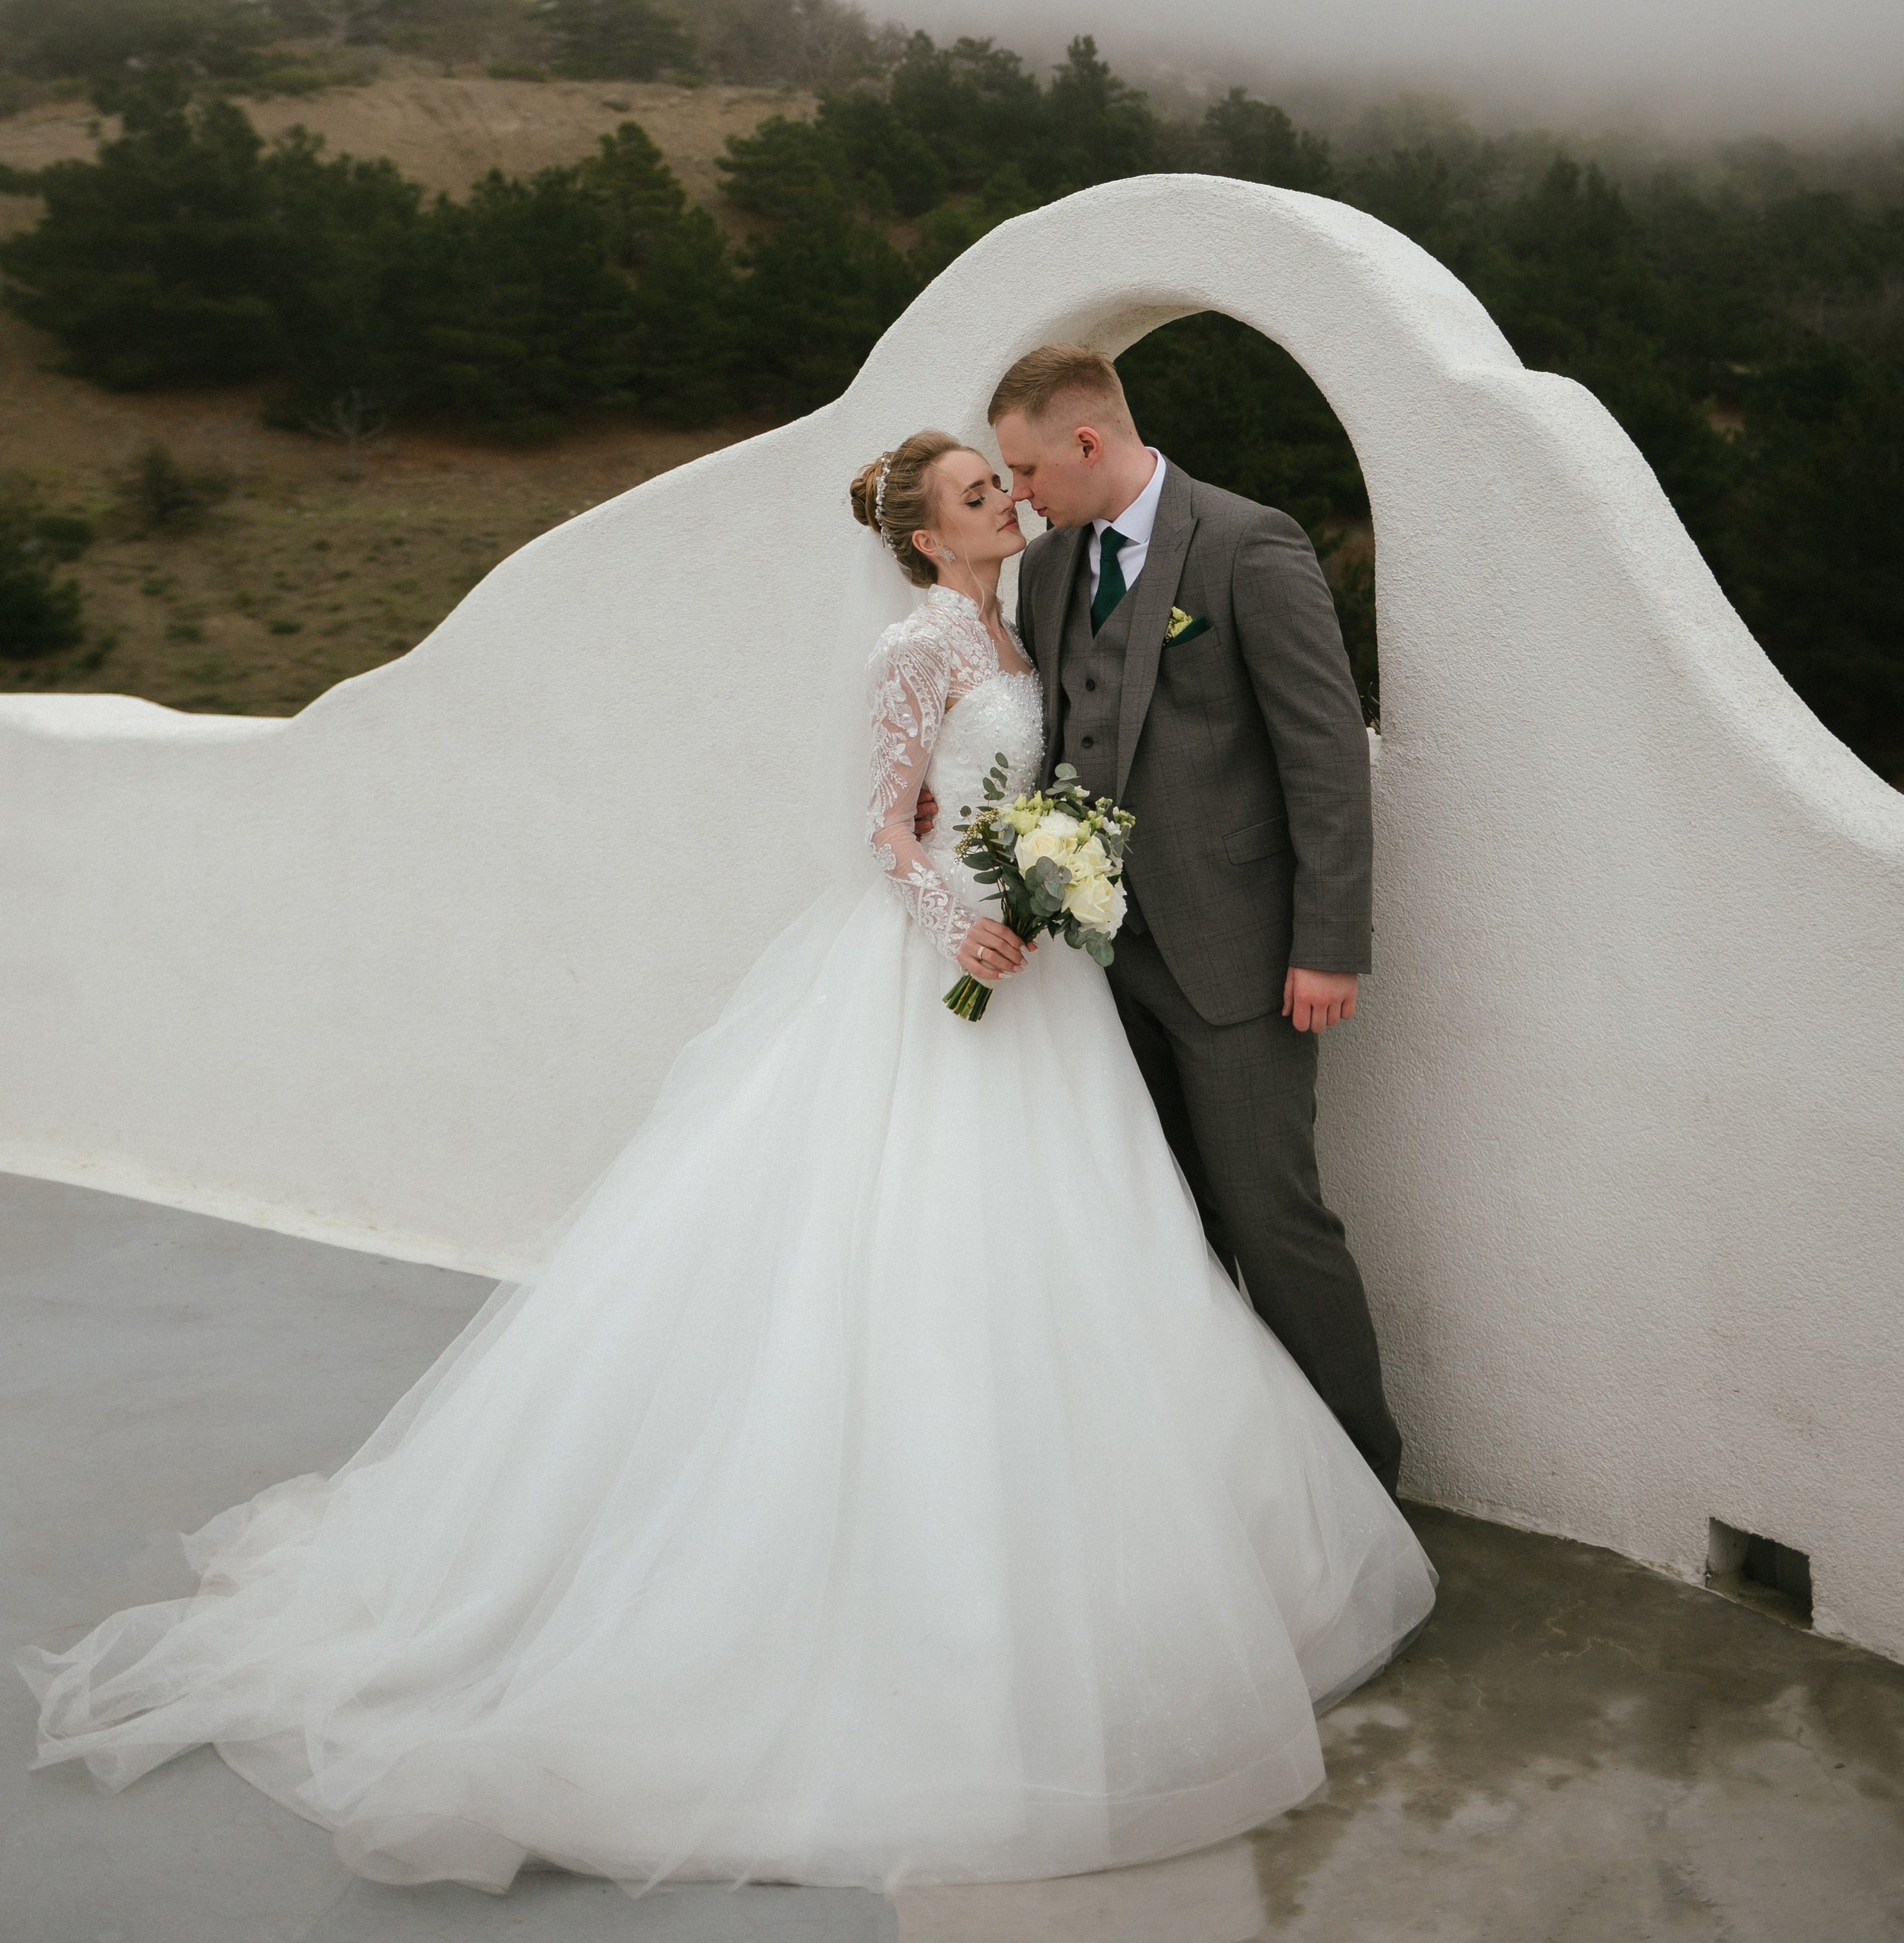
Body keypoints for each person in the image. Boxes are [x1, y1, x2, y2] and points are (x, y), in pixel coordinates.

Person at [18, 430, 1433, 1899]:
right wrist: (961, 919)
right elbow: (884, 832)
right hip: (945, 974)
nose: (1007, 502)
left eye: (1005, 484)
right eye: (976, 495)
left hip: (1048, 991)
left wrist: (1041, 869)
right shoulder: (915, 643)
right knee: (896, 1267)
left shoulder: (1025, 611)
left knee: (1095, 1253)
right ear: (924, 539)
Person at [987, 345, 1401, 1491]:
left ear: (1087, 441)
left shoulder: (1245, 542)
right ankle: (1239, 1484)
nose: (1016, 493)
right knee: (1168, 1225)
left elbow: (1324, 756)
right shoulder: (1049, 569)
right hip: (1105, 967)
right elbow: (1065, 734)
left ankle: (1367, 1488)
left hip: (1243, 959)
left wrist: (1328, 941)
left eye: (1027, 468)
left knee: (1275, 1221)